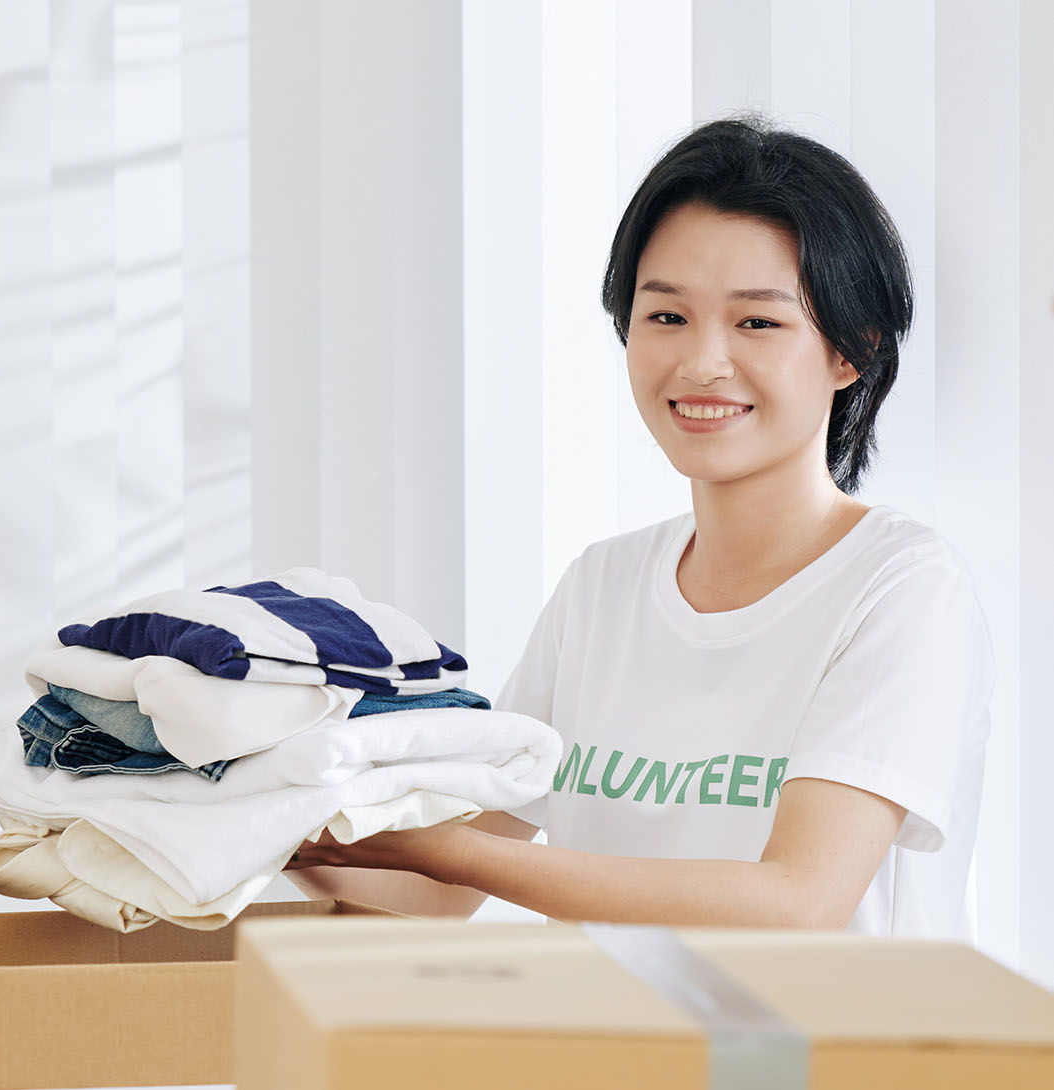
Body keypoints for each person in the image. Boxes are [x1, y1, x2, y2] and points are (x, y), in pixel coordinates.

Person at [289, 116, 994, 939]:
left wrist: (450, 853)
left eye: (757, 323)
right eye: (666, 317)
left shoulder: (902, 588)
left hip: (819, 1032)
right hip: (608, 1029)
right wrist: (241, 808)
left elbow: (797, 903)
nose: (701, 363)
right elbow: (429, 896)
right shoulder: (602, 586)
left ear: (851, 350)